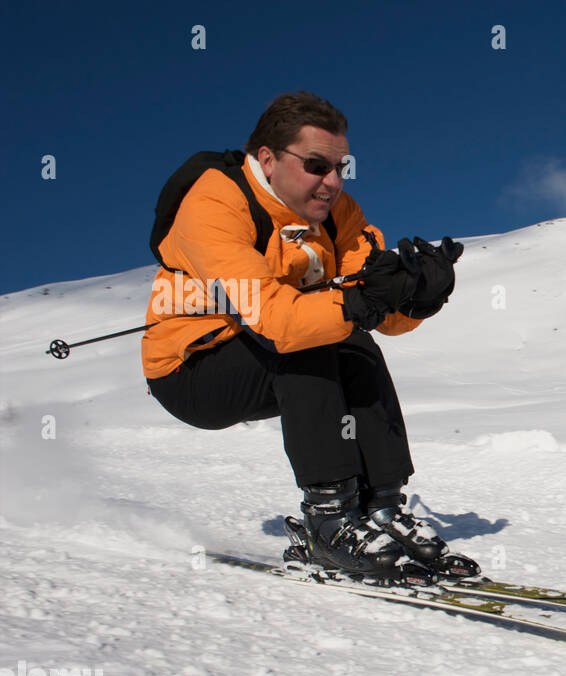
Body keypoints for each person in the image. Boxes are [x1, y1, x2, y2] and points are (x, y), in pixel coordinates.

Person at [143, 91, 474, 580]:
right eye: (317, 165)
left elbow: (378, 312)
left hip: (273, 349)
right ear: (268, 160)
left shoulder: (339, 214)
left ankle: (382, 507)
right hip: (192, 370)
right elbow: (277, 320)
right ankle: (328, 519)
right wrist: (361, 303)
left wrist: (413, 297)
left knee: (354, 345)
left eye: (342, 166)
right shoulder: (216, 202)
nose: (333, 182)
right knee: (313, 338)